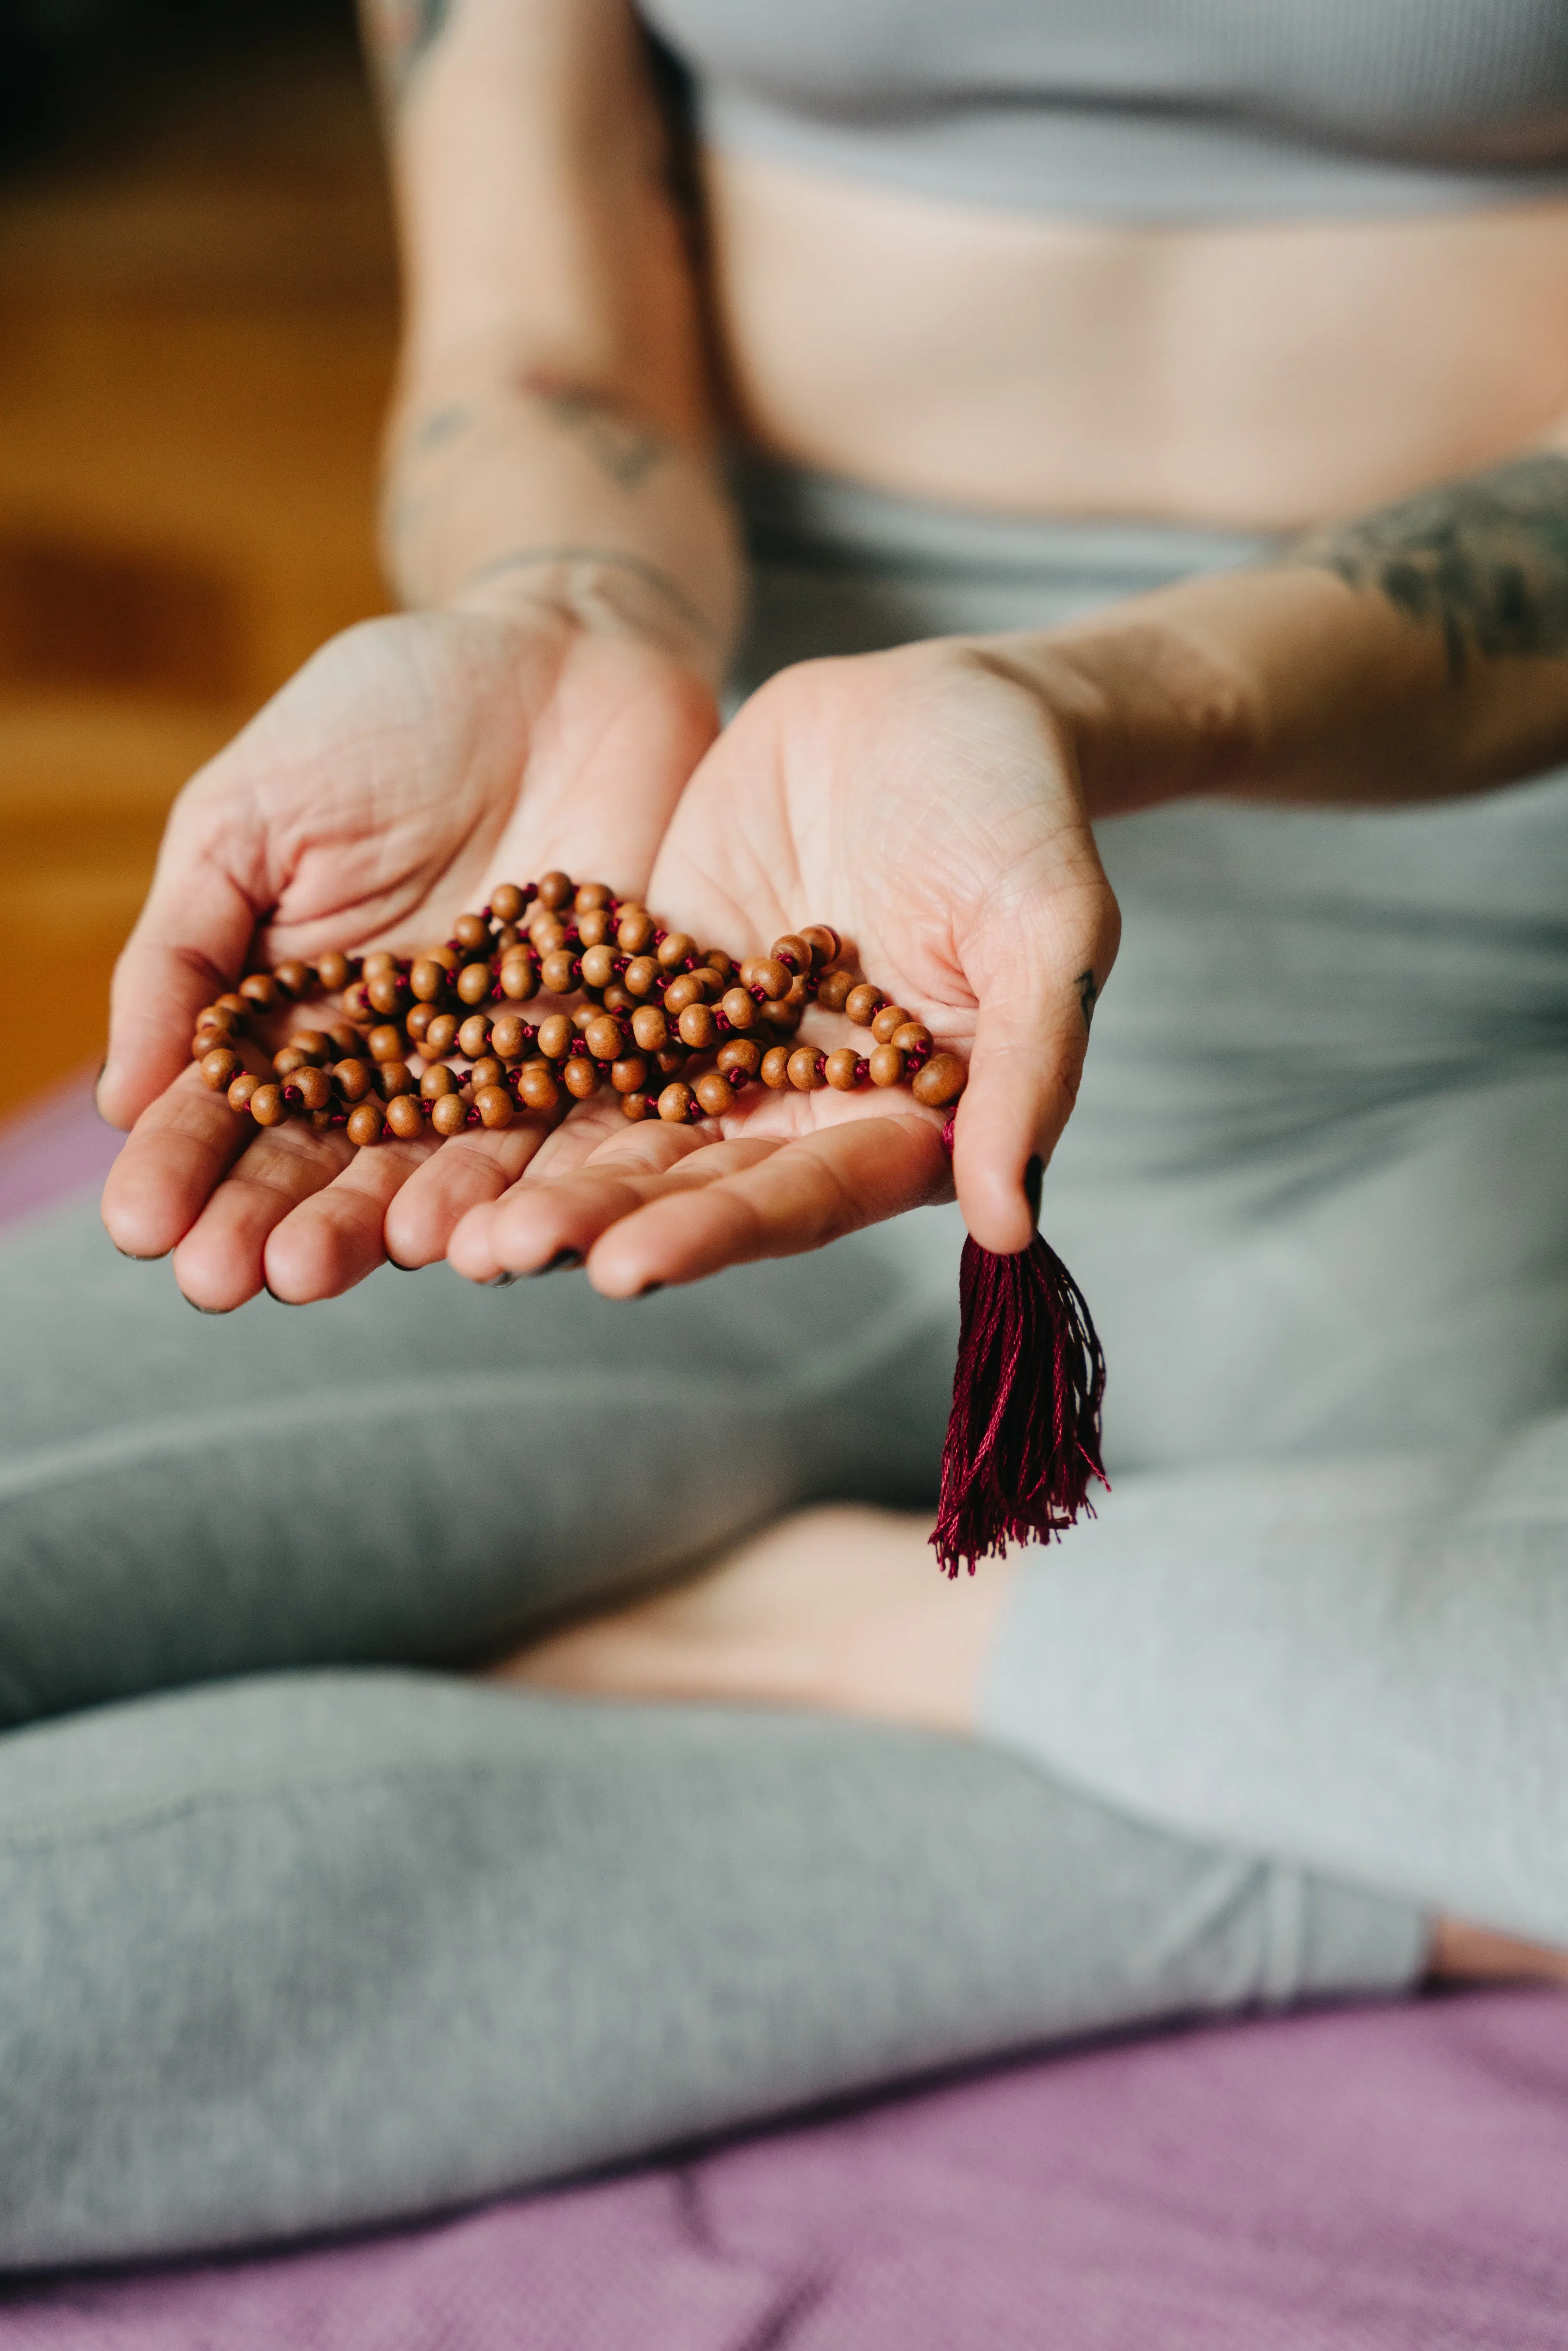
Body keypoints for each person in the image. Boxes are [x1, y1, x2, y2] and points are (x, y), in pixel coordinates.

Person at [5, 0, 1568, 2269]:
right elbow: (539, 314)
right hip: (729, 994)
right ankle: (1309, 1734)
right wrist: (565, 608)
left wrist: (1062, 701)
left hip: (1456, 1104)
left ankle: (885, 1642)